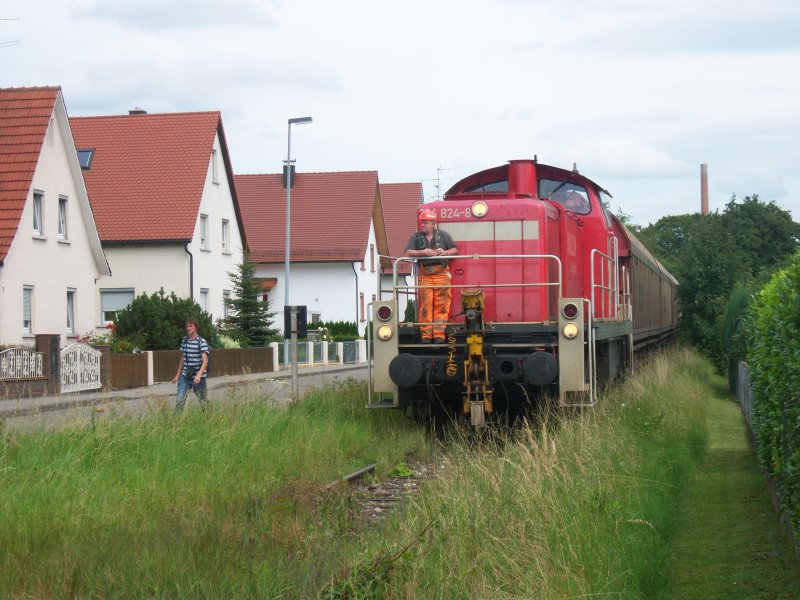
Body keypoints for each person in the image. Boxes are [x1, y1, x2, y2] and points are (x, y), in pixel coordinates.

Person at [404, 208, 459, 343]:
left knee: (441, 304)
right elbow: (407, 253)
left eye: (425, 222)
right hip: (425, 276)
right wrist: (423, 252)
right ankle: (426, 336)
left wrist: (445, 252)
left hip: (441, 275)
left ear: (433, 223)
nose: (422, 225)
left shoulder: (444, 235)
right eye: (421, 222)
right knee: (426, 304)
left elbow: (455, 249)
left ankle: (439, 334)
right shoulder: (416, 237)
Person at [171, 317, 210, 413]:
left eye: (191, 326)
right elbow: (183, 358)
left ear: (195, 327)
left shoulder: (201, 342)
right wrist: (177, 375)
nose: (188, 328)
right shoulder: (185, 340)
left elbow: (205, 361)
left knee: (203, 402)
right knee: (180, 400)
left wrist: (199, 375)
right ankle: (175, 423)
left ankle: (210, 419)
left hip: (198, 377)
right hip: (185, 376)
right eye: (187, 326)